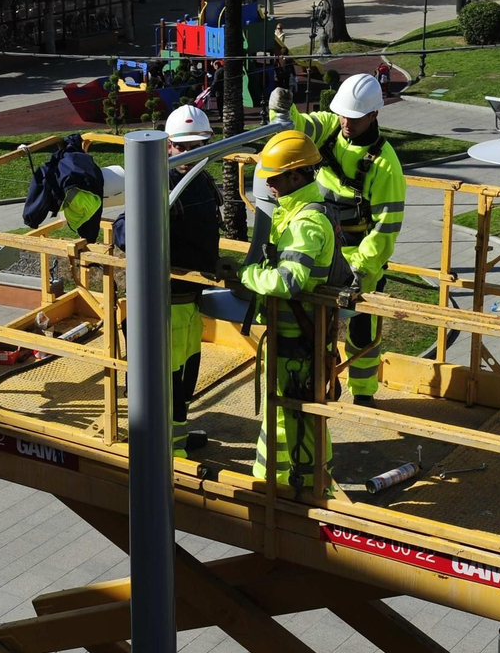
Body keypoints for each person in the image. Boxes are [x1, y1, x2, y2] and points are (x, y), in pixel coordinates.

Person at [267, 72, 406, 407]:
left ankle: (364, 394)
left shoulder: (385, 166)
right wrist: (282, 113)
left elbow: (385, 229)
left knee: (361, 333)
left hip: (359, 260)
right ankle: (313, 383)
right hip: (321, 249)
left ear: (374, 115)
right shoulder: (330, 127)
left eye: (354, 118)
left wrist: (360, 269)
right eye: (343, 114)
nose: (346, 122)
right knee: (307, 325)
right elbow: (296, 132)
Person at [113, 105, 222, 458]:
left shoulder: (202, 180)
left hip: (189, 303)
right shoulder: (160, 183)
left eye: (198, 146)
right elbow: (124, 230)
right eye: (183, 147)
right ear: (169, 147)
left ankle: (176, 441)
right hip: (165, 306)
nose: (191, 155)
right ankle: (166, 456)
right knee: (167, 385)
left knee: (185, 380)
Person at [238, 131, 337, 486]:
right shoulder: (299, 212)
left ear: (296, 176)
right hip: (295, 340)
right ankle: (293, 484)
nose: (269, 185)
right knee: (292, 417)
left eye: (275, 178)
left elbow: (287, 281)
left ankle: (294, 490)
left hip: (297, 342)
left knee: (292, 418)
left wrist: (249, 275)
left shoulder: (306, 222)